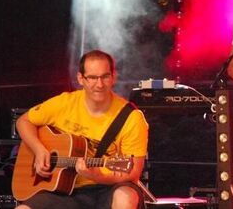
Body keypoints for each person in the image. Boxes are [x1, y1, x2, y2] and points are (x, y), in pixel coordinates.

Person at [15, 50, 148, 209]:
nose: (99, 84)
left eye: (105, 76)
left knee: (125, 197)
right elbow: (23, 121)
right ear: (80, 78)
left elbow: (132, 173)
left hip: (109, 188)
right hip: (66, 191)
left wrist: (95, 176)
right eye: (92, 77)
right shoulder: (65, 103)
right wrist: (39, 150)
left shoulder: (131, 118)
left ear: (114, 77)